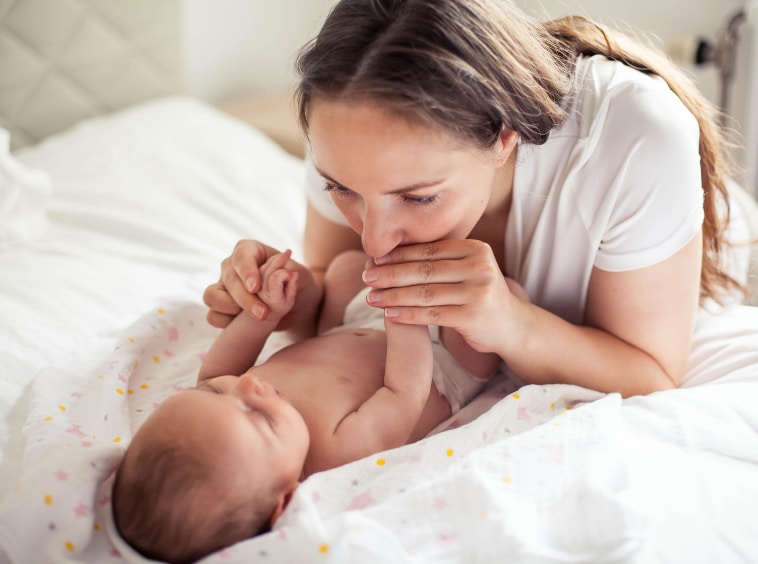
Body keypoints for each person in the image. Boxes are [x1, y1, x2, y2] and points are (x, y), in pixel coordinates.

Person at [204, 0, 756, 399]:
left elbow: (651, 373)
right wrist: (283, 298)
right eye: (341, 188)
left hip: (702, 249)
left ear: (505, 138)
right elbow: (334, 283)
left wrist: (512, 323)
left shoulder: (636, 139)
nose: (373, 238)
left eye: (417, 197)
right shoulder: (350, 119)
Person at [112, 249, 522, 563]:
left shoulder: (230, 395)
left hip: (356, 326)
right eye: (258, 417)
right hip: (438, 365)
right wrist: (403, 312)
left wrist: (264, 312)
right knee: (506, 298)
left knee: (344, 268)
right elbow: (405, 393)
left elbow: (223, 362)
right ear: (285, 501)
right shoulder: (336, 450)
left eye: (216, 393)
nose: (249, 386)